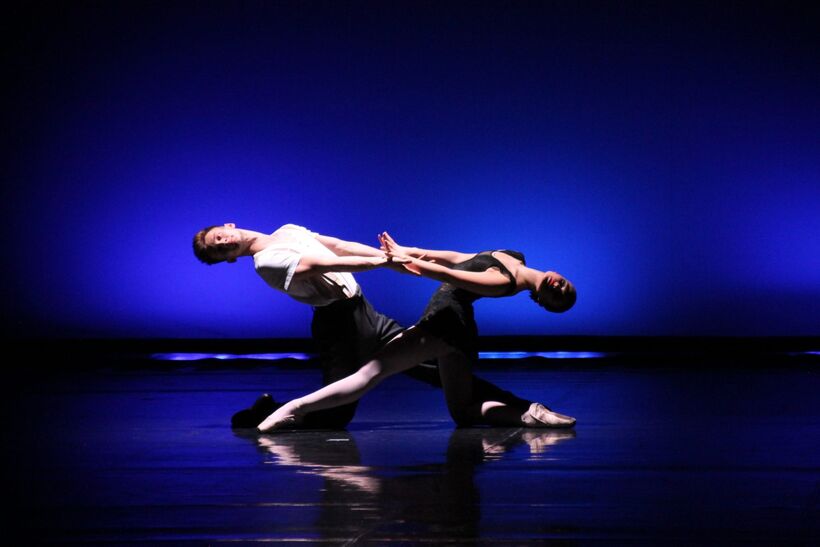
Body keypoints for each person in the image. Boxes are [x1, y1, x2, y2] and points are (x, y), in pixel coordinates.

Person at [192, 223, 553, 429]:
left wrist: (392, 258)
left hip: (362, 311)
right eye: (219, 250)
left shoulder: (286, 230)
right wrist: (386, 261)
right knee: (334, 418)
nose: (224, 244)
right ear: (229, 259)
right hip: (339, 327)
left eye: (218, 238)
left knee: (434, 365)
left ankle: (519, 407)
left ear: (228, 226)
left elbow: (336, 245)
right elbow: (324, 264)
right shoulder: (265, 263)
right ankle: (265, 413)